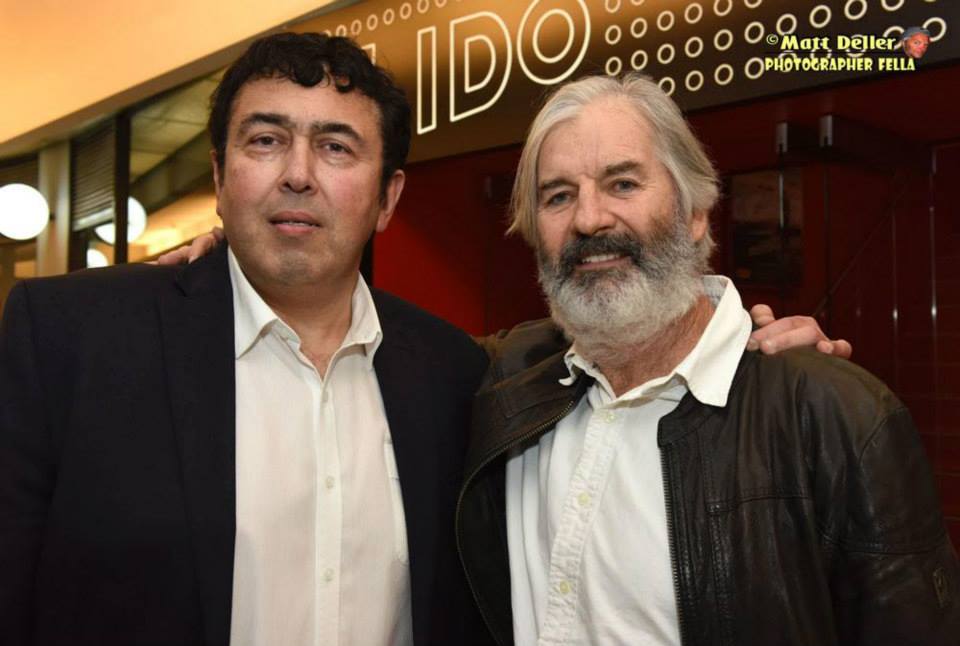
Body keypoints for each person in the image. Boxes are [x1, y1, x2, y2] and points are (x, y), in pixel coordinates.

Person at [0, 33, 490, 646]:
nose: (298, 175)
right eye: (266, 140)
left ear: (387, 199)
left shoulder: (453, 373)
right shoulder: (70, 338)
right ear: (219, 176)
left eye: (335, 147)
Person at [455, 74, 960, 646]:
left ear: (695, 211)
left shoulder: (835, 415)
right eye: (558, 196)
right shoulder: (504, 381)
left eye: (623, 184)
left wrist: (809, 381)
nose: (589, 219)